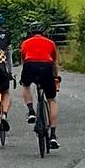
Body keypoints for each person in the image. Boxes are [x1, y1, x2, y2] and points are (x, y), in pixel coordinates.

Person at [19, 19, 61, 148]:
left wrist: (26, 75)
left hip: (30, 65)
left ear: (31, 32)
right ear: (43, 32)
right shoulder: (51, 43)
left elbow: (23, 61)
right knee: (51, 99)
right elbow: (54, 63)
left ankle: (31, 111)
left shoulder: (25, 43)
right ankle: (53, 135)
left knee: (25, 85)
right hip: (46, 66)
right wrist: (55, 77)